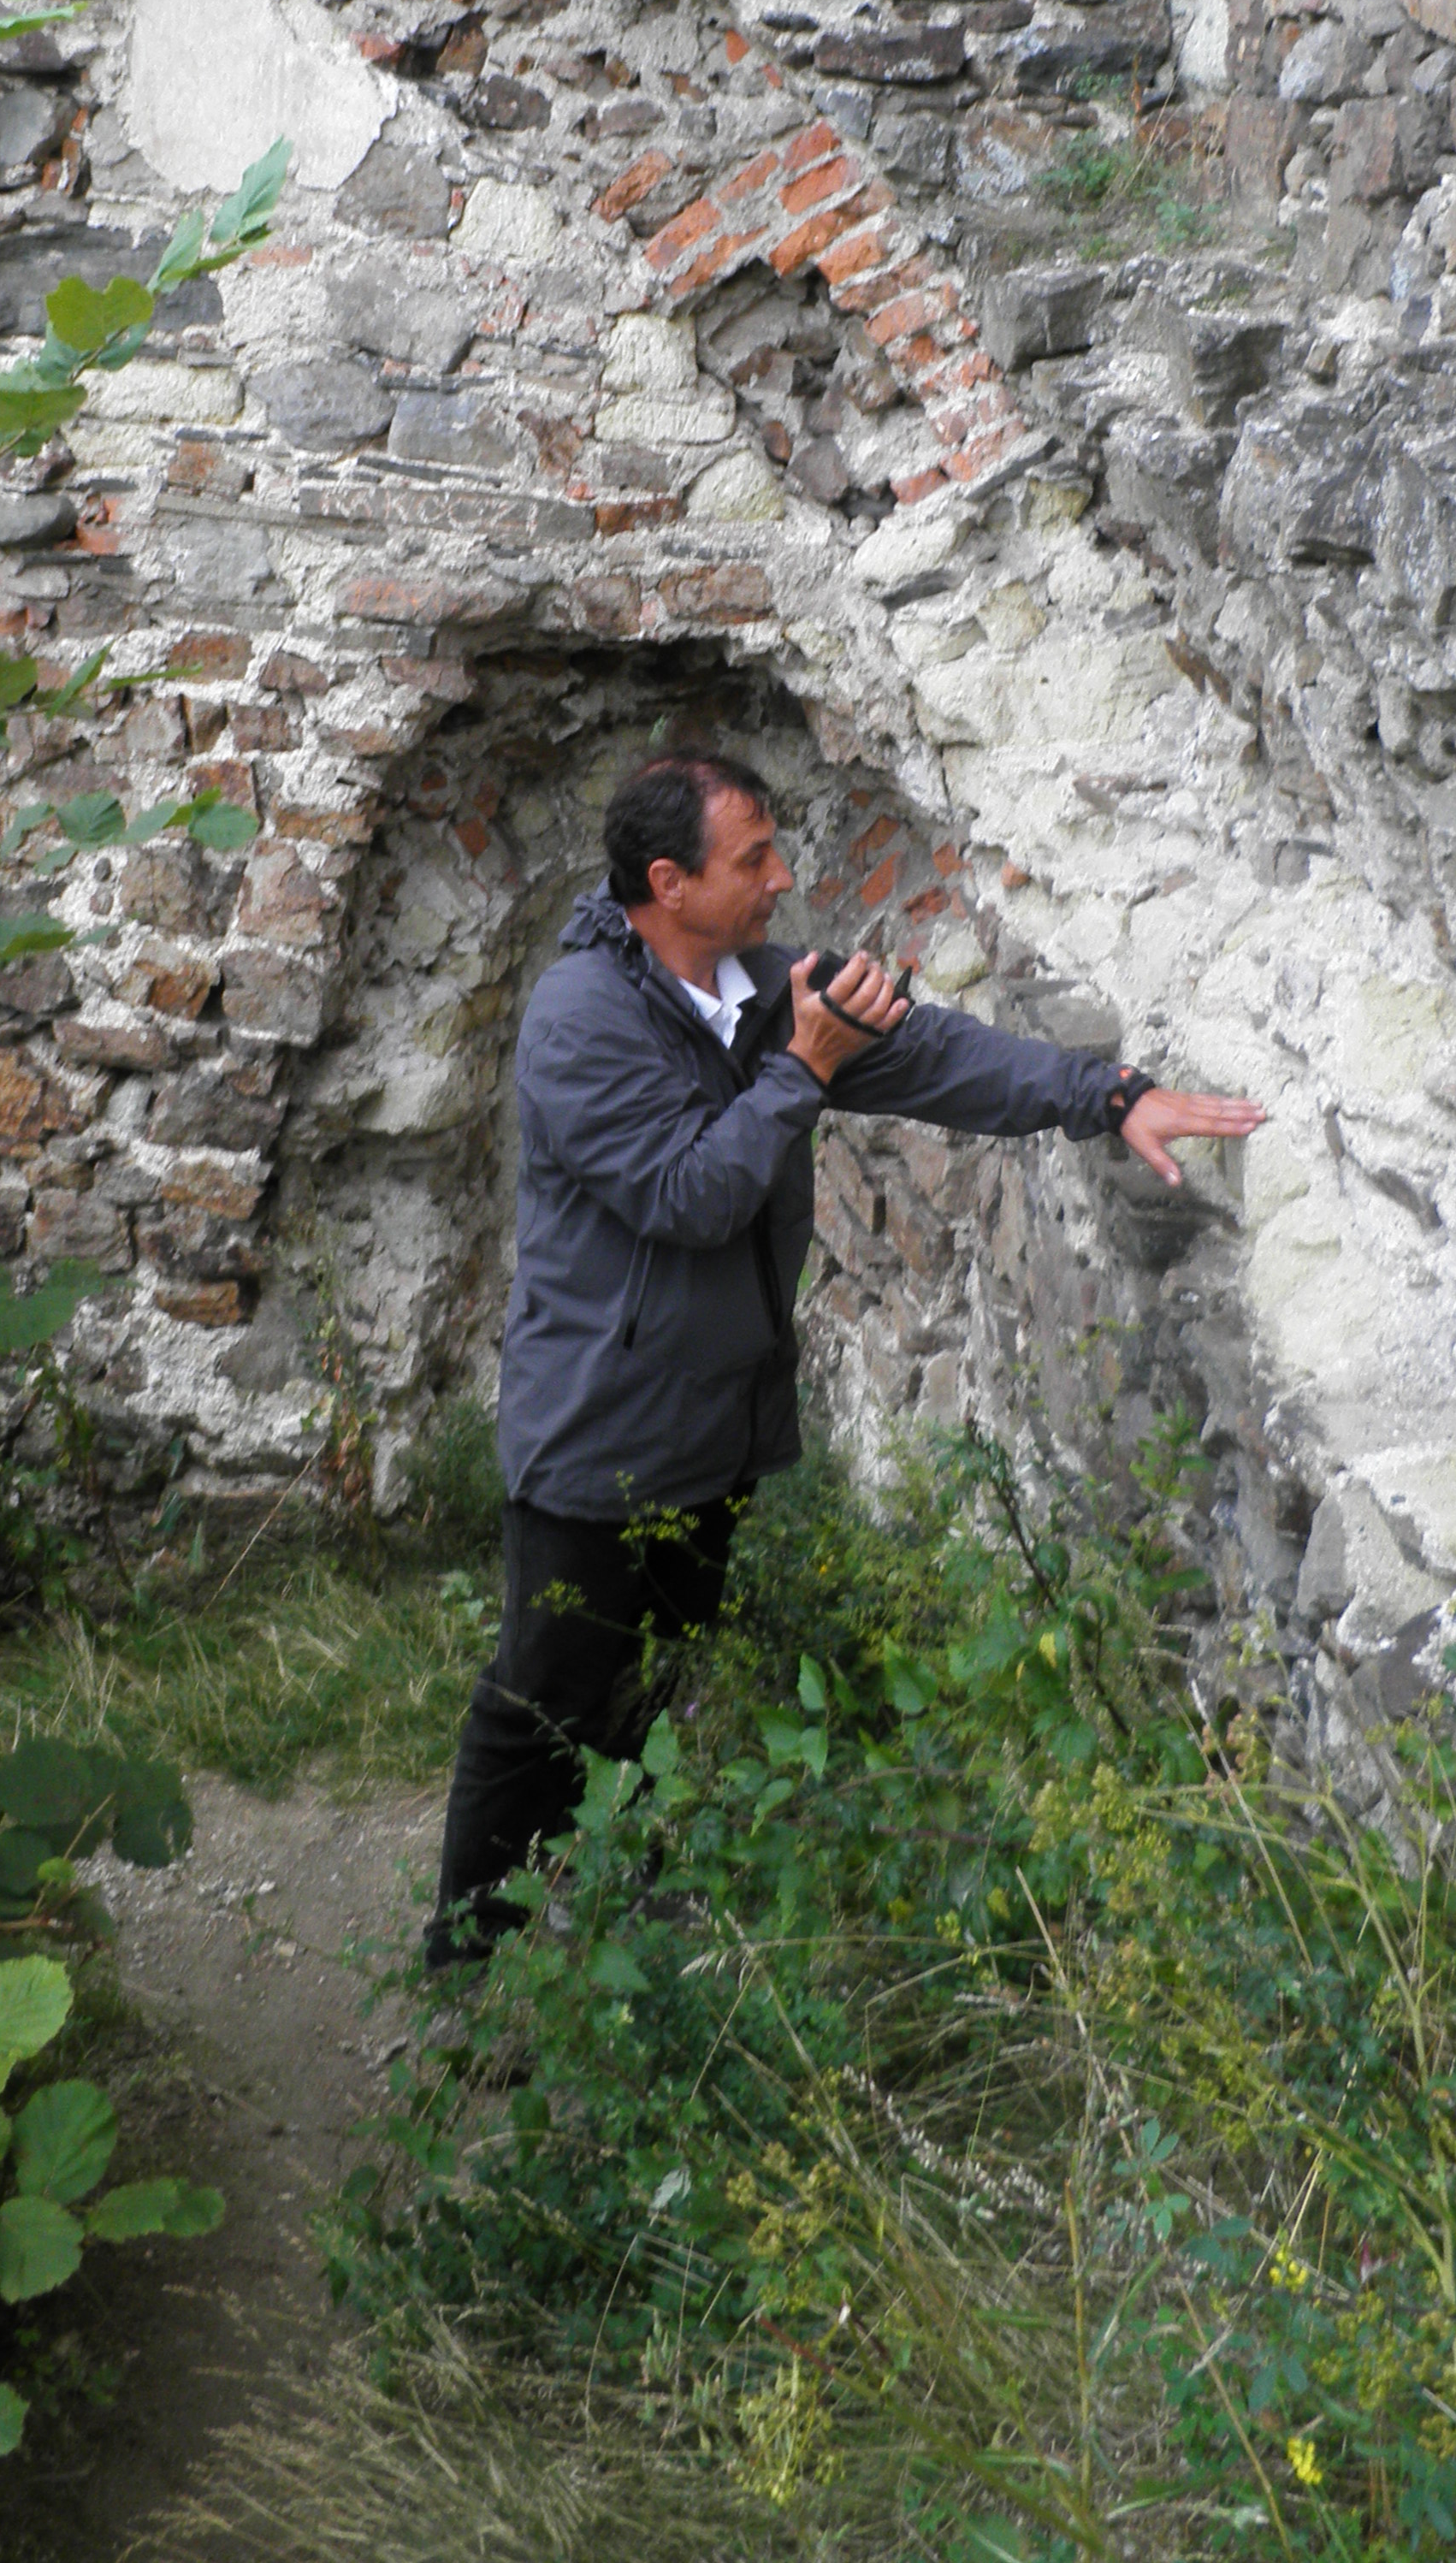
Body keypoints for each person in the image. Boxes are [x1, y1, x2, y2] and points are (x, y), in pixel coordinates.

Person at [424, 748, 1267, 1968]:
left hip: (709, 1430)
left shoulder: (770, 991)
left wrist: (1109, 1094)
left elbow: (939, 1059)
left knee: (652, 1681)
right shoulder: (580, 1020)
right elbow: (689, 1196)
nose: (781, 878)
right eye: (753, 858)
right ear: (668, 882)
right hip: (596, 1435)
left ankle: (598, 1910)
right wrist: (805, 1066)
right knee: (541, 1700)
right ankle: (469, 1964)